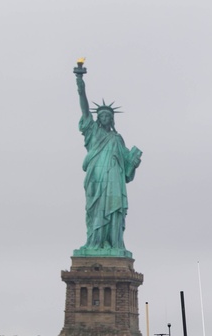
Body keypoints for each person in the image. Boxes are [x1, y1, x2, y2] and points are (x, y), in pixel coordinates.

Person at [73, 59, 142, 255]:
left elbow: (128, 170)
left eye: (107, 116)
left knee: (115, 211)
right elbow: (84, 108)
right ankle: (94, 242)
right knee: (95, 210)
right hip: (96, 177)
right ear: (97, 119)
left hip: (114, 181)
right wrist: (80, 82)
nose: (104, 118)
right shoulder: (92, 132)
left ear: (111, 120)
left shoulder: (117, 139)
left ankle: (114, 244)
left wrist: (134, 163)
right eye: (101, 116)